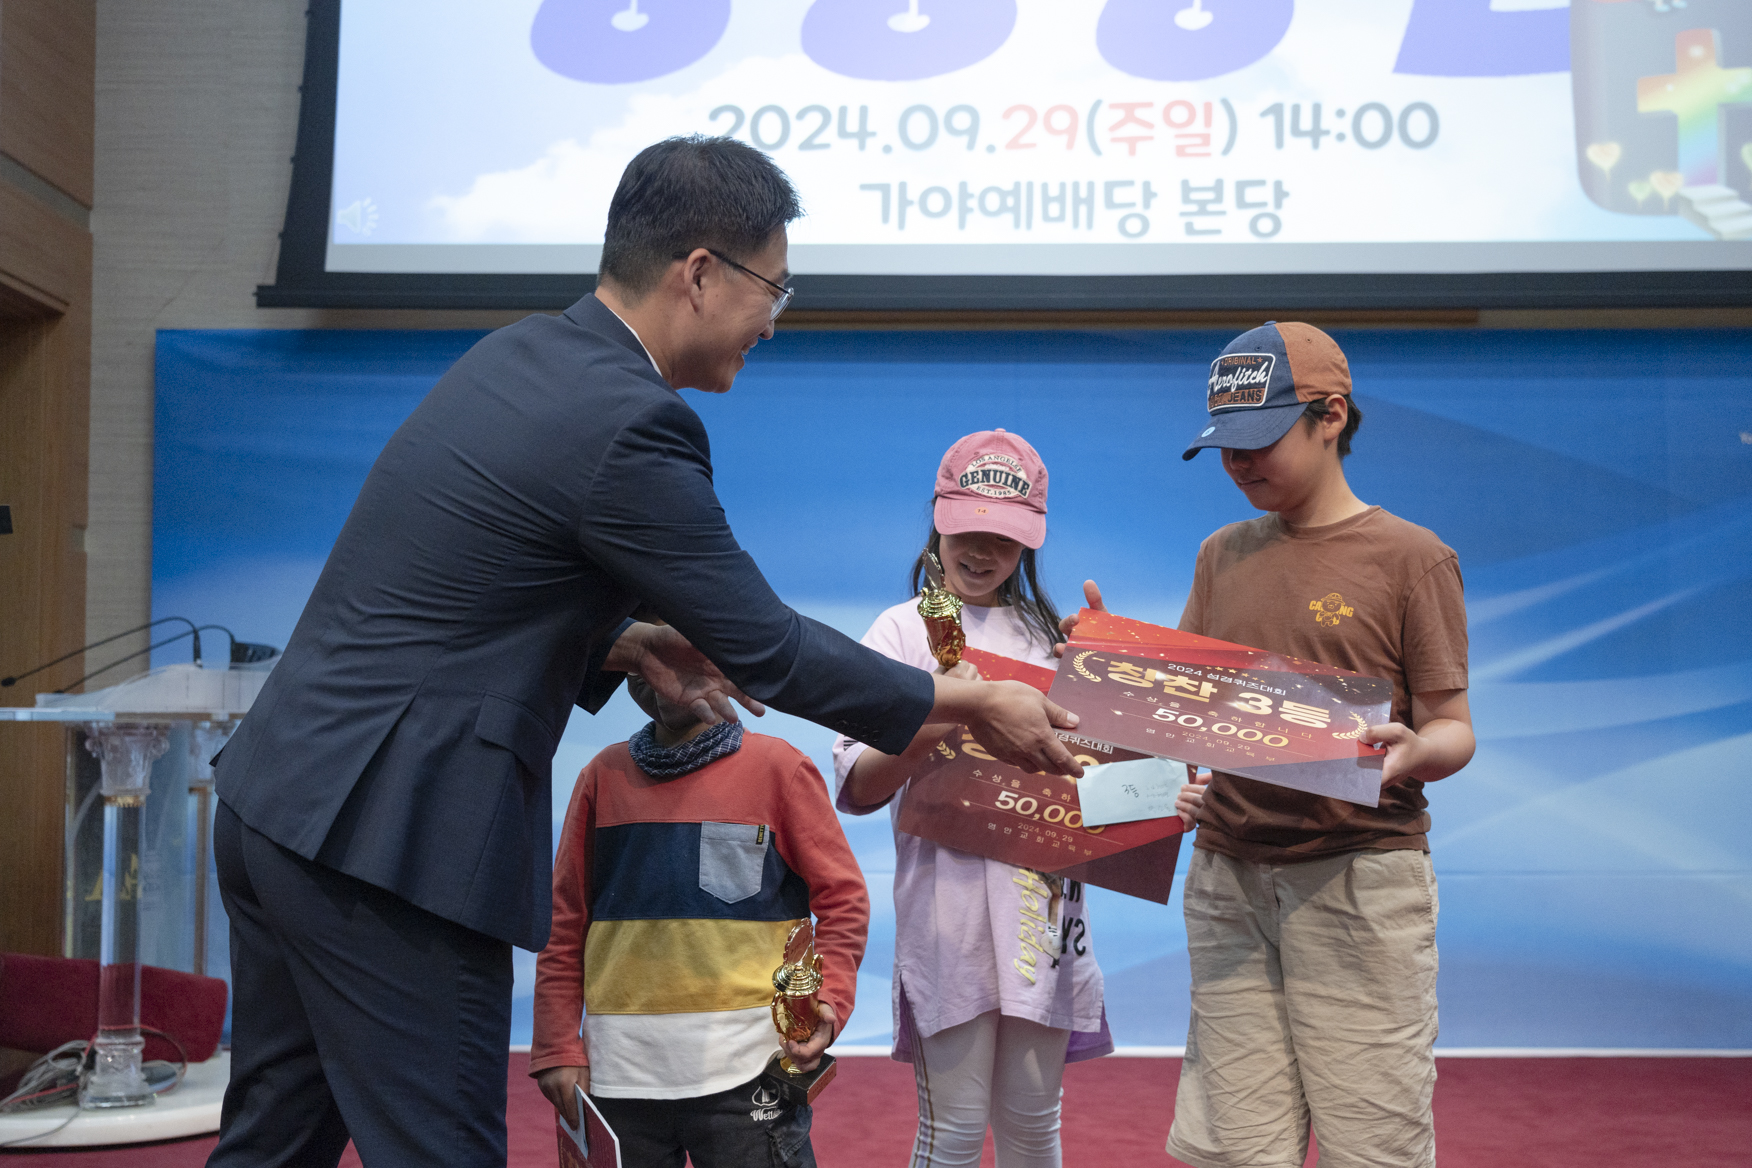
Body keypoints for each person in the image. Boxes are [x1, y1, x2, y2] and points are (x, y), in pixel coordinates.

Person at [207, 137, 1083, 1167]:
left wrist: (621, 643)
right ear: (700, 273)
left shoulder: (522, 354)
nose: (774, 320)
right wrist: (970, 704)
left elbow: (460, 603)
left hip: (280, 797)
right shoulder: (632, 422)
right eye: (775, 289)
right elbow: (768, 648)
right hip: (389, 832)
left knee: (273, 1143)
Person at [1071, 322, 1473, 1168]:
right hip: (1229, 879)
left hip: (1359, 878)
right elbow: (1190, 713)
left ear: (1332, 417)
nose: (1239, 462)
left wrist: (1415, 750)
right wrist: (1112, 667)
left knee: (1374, 1144)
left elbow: (1454, 728)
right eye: (1225, 444)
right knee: (1235, 1146)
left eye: (1259, 439)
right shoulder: (1222, 554)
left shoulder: (1413, 558)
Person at [833, 430, 1111, 1168]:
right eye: (967, 531)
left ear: (1030, 543)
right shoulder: (898, 633)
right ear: (938, 520)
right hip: (946, 917)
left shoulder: (1052, 638)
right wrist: (951, 707)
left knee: (1034, 1129)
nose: (983, 553)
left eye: (1004, 539)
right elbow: (857, 787)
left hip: (1043, 916)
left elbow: (1100, 784)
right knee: (952, 1134)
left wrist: (1115, 680)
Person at [530, 669, 861, 1168]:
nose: (662, 676)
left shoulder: (780, 769)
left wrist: (827, 999)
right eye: (644, 661)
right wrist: (556, 1044)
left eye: (682, 657)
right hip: (618, 1078)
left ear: (726, 663)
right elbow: (564, 919)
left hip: (750, 1070)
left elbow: (843, 898)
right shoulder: (601, 776)